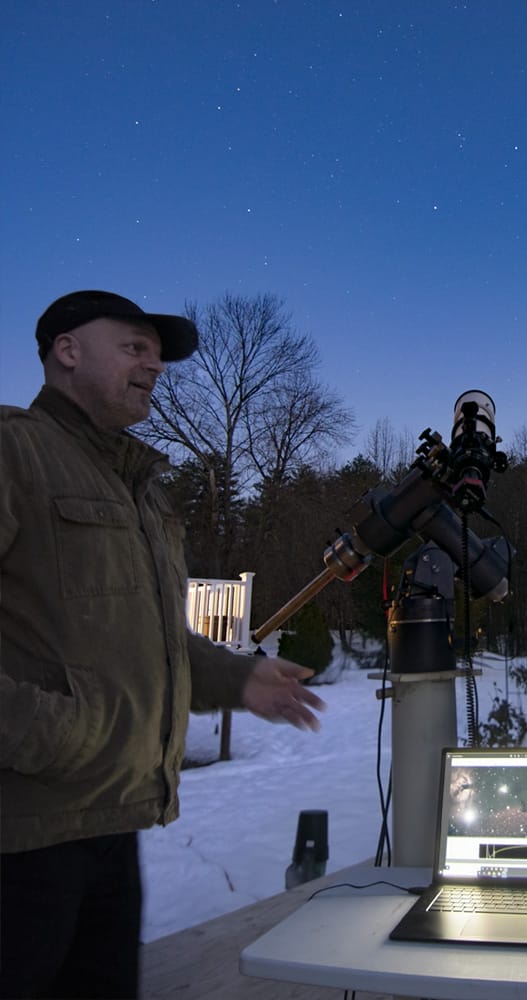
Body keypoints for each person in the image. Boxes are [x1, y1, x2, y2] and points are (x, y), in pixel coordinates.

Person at [0, 290, 327, 1000]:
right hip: (21, 835)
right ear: (67, 350)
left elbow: (143, 634)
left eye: (158, 354)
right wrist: (45, 731)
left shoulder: (137, 489)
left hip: (113, 817)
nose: (154, 366)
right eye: (135, 347)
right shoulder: (14, 450)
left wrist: (240, 679)